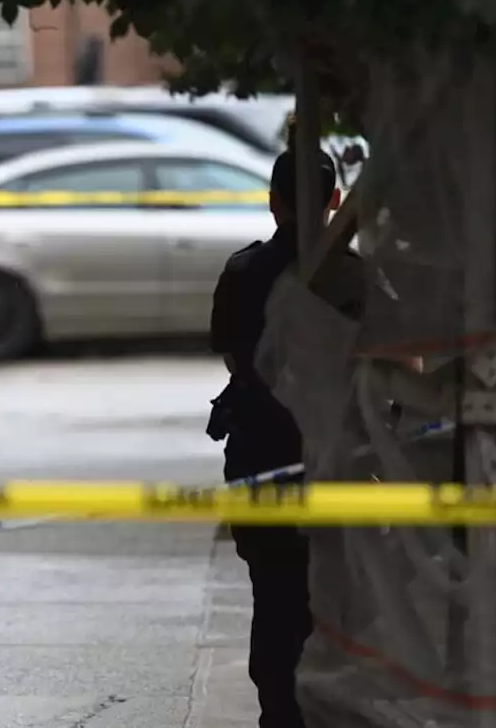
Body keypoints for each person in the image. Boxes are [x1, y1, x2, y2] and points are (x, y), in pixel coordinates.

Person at [207, 142, 358, 728]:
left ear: (272, 203)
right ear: (336, 201)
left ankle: (281, 715)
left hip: (260, 455)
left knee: (273, 597)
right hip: (340, 459)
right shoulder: (354, 277)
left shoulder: (243, 271)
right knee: (339, 601)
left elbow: (231, 356)